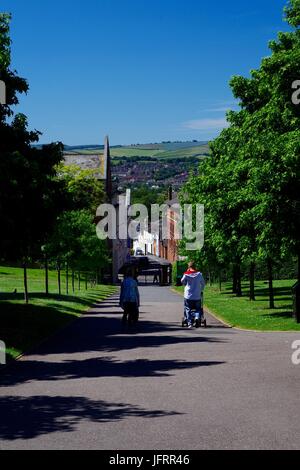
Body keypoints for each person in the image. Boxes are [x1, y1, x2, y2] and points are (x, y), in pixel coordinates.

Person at [181, 261, 205, 328]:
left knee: (188, 308)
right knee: (198, 308)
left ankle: (190, 323)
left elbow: (182, 281)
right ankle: (197, 318)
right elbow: (203, 283)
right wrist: (201, 290)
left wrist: (185, 284)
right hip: (197, 295)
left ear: (189, 267)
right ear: (195, 266)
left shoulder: (186, 274)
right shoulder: (199, 274)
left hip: (188, 295)